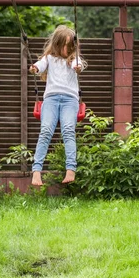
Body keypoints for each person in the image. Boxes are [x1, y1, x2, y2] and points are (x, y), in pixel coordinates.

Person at [30, 25, 86, 186]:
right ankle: (36, 171)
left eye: (70, 45)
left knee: (68, 130)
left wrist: (78, 67)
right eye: (64, 45)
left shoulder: (73, 60)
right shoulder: (49, 58)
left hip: (70, 100)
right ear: (57, 44)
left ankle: (70, 169)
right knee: (46, 130)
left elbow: (79, 65)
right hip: (51, 100)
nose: (66, 49)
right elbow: (40, 65)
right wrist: (35, 68)